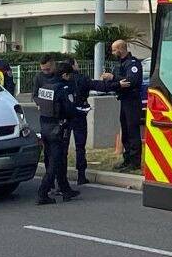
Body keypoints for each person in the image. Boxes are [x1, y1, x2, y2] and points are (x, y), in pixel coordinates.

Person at [32, 54, 78, 205]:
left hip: (45, 126)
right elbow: (69, 110)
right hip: (57, 129)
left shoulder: (46, 88)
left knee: (56, 159)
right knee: (55, 162)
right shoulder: (62, 88)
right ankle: (42, 193)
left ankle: (65, 190)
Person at [96, 38, 146, 172]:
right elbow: (118, 81)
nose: (112, 53)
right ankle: (127, 159)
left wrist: (113, 78)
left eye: (113, 50)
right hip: (123, 100)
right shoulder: (119, 64)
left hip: (132, 101)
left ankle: (135, 162)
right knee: (125, 131)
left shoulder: (133, 63)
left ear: (120, 49)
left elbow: (132, 81)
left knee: (132, 131)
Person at [60, 56, 92, 187]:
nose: (78, 65)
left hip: (66, 116)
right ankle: (81, 175)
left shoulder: (60, 80)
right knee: (80, 146)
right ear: (72, 66)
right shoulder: (82, 78)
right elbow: (95, 86)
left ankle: (62, 177)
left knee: (63, 148)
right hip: (79, 114)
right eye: (77, 63)